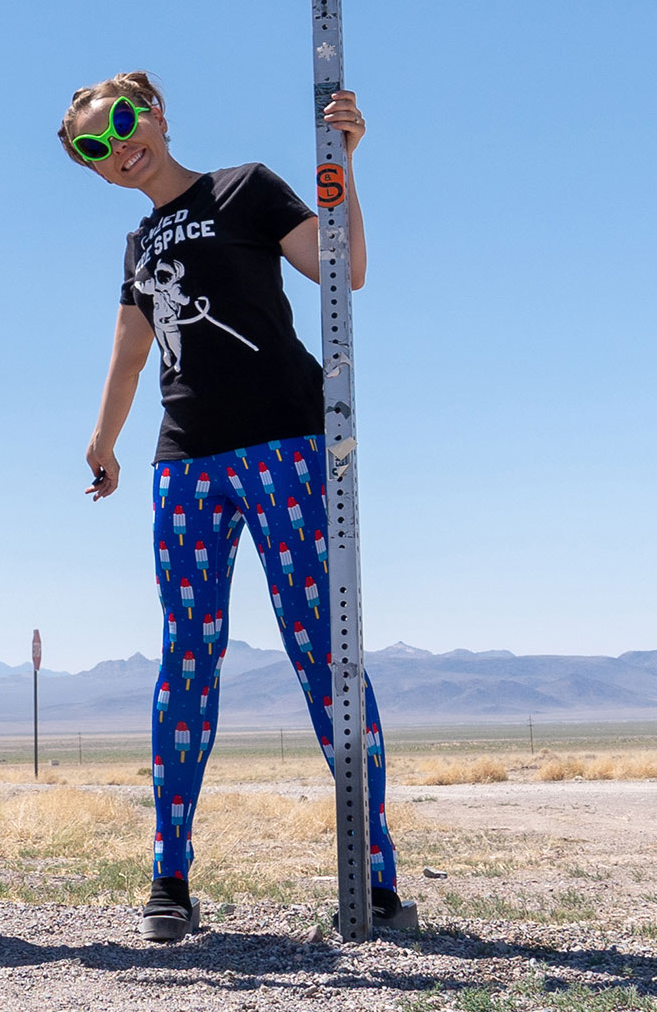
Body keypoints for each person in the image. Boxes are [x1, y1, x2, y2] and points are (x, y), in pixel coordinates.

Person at [62, 70, 410, 943]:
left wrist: (345, 164)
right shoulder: (138, 244)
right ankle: (168, 875)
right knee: (188, 656)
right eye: (95, 149)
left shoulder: (245, 187)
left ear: (159, 114)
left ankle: (373, 875)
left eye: (124, 124)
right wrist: (103, 440)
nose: (118, 149)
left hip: (286, 442)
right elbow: (132, 356)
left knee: (321, 647)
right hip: (185, 463)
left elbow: (344, 268)